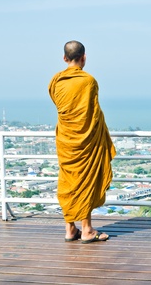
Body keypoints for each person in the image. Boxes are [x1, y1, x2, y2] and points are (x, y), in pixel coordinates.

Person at [48, 40, 116, 244]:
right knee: (84, 181)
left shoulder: (56, 81)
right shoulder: (88, 81)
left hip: (66, 140)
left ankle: (70, 229)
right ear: (84, 57)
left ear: (64, 58)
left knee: (69, 182)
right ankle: (86, 230)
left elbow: (60, 105)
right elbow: (92, 114)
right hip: (85, 141)